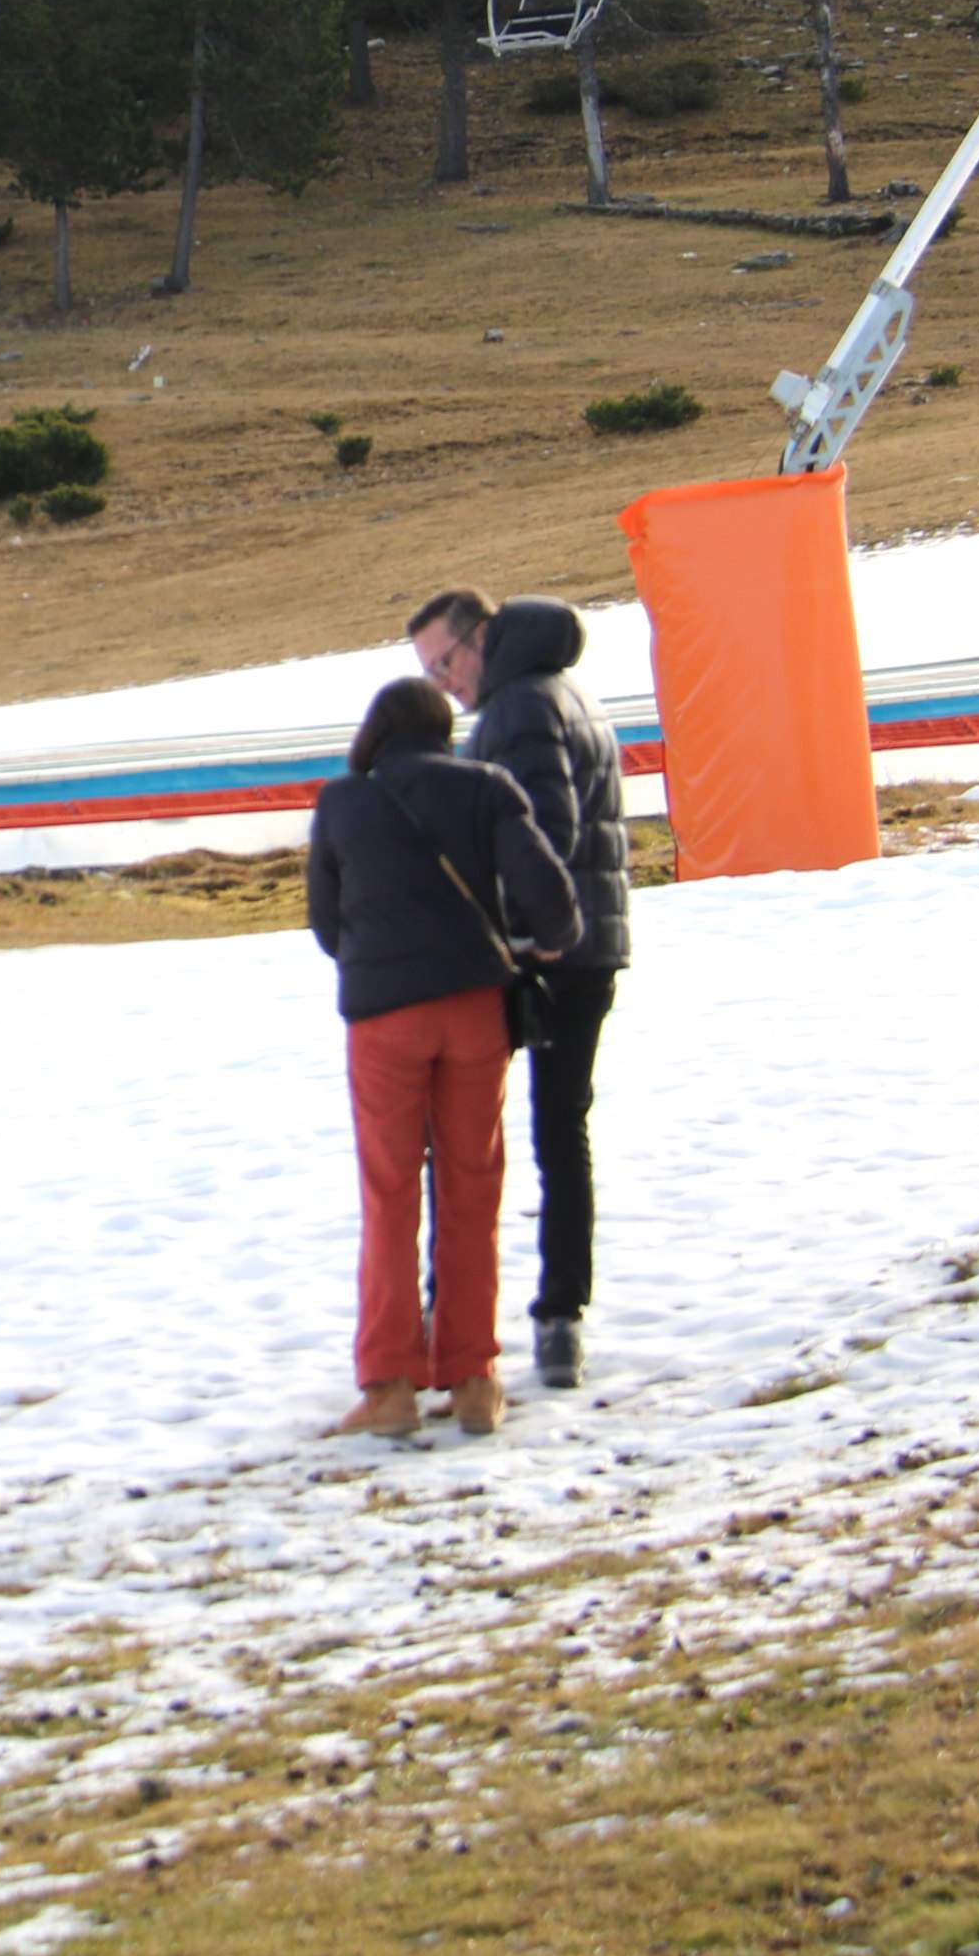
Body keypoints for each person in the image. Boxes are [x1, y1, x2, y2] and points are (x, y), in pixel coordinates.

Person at [303, 676, 580, 1440]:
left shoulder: (343, 802)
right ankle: (472, 1378)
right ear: (442, 730)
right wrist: (535, 940)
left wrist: (376, 958)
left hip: (383, 1020)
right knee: (471, 1190)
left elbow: (327, 925)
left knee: (389, 1195)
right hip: (472, 1009)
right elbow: (551, 900)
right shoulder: (486, 788)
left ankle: (389, 1387)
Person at [408, 585, 633, 1392]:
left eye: (444, 662)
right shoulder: (564, 691)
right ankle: (560, 1317)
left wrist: (492, 934)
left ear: (480, 638)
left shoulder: (517, 707)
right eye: (428, 672)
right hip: (595, 944)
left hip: (539, 954)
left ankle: (449, 1319)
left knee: (465, 1138)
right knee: (560, 1130)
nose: (441, 683)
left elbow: (541, 836)